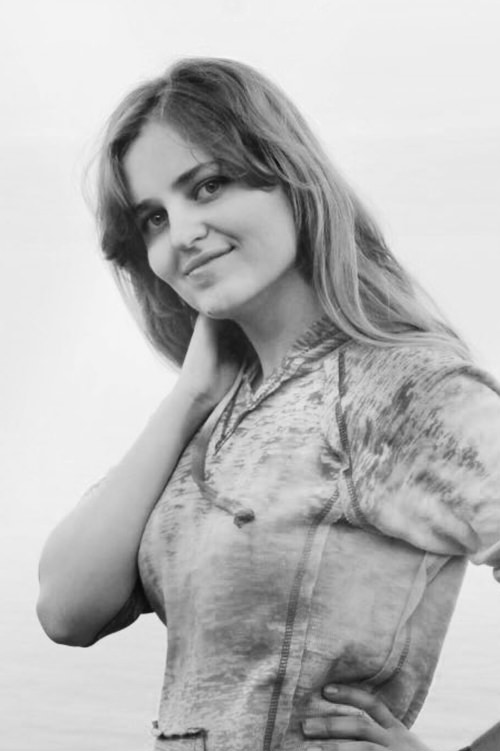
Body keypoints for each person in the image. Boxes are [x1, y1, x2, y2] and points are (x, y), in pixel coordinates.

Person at [36, 57, 500, 751]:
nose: (182, 233)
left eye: (208, 185)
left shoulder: (397, 389)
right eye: (153, 218)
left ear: (290, 179)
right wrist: (190, 395)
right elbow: (67, 609)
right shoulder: (217, 412)